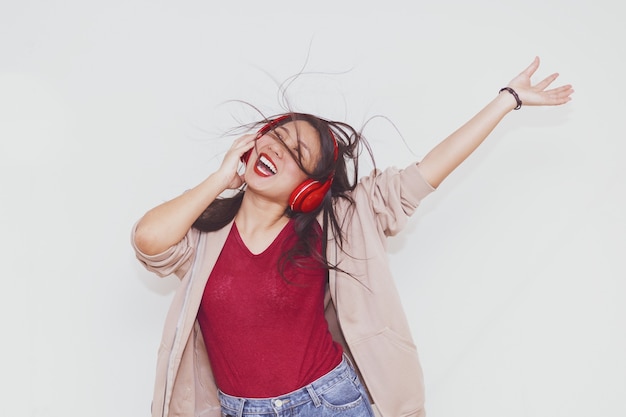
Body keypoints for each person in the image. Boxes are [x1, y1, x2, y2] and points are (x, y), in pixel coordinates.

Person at [131, 57, 573, 417]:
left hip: (326, 404)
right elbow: (148, 241)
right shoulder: (205, 236)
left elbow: (426, 173)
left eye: (297, 154)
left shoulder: (340, 222)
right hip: (237, 410)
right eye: (275, 137)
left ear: (308, 189)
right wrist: (220, 178)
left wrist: (506, 100)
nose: (276, 149)